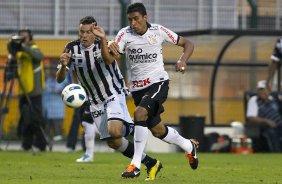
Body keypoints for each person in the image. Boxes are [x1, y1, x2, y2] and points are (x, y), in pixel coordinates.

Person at [56, 16, 162, 180]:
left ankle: (138, 125)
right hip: (94, 101)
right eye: (81, 32)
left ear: (95, 31)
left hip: (113, 93)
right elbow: (59, 79)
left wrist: (104, 39)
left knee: (114, 131)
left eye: (88, 32)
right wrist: (63, 65)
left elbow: (109, 59)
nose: (84, 35)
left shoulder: (106, 45)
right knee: (113, 142)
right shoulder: (71, 48)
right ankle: (151, 162)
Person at [108, 2, 199, 178]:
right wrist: (109, 45)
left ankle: (135, 165)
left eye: (136, 19)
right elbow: (114, 55)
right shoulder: (124, 34)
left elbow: (188, 44)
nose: (133, 23)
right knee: (158, 131)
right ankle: (189, 146)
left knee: (140, 113)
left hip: (158, 83)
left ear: (145, 18)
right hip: (138, 90)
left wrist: (182, 60)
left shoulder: (158, 31)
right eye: (130, 20)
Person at [7, 28, 47, 151]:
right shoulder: (19, 53)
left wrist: (23, 47)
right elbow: (12, 61)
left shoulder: (33, 48)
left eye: (25, 36)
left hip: (34, 90)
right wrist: (12, 48)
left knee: (35, 118)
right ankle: (26, 145)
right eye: (21, 37)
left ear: (30, 37)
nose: (23, 39)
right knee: (25, 118)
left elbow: (39, 56)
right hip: (22, 89)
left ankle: (41, 144)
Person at [246, 80, 282, 152]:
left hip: (280, 124)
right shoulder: (254, 100)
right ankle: (277, 153)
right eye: (261, 90)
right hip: (267, 127)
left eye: (265, 89)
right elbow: (251, 117)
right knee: (272, 133)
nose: (263, 92)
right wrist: (267, 121)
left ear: (269, 90)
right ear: (257, 91)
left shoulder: (274, 99)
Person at [42, 68, 67, 142]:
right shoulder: (46, 80)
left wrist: (61, 91)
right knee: (46, 129)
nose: (53, 72)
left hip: (58, 110)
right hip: (47, 109)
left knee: (57, 131)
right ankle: (45, 143)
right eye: (52, 70)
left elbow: (67, 92)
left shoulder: (63, 80)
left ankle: (58, 146)